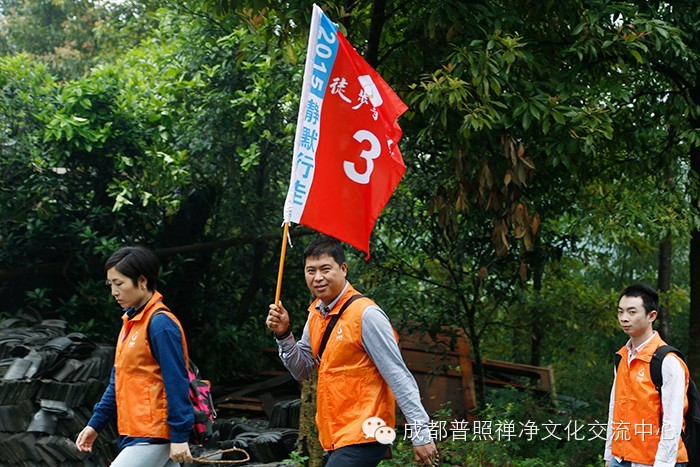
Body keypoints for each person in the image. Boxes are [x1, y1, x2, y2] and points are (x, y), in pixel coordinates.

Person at [266, 236, 439, 466]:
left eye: (325, 269)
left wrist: (421, 433)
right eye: (311, 271)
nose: (318, 277)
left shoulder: (366, 314)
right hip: (336, 435)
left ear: (343, 269)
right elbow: (302, 370)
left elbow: (398, 375)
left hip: (366, 431)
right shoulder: (316, 315)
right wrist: (284, 334)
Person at [75, 246, 194, 466]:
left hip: (154, 434)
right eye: (110, 284)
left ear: (142, 281)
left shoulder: (160, 323)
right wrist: (95, 424)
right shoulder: (130, 323)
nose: (114, 292)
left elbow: (176, 381)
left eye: (119, 283)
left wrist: (179, 435)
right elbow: (118, 382)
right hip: (135, 432)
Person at [604, 283, 690, 467]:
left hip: (655, 461)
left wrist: (662, 463)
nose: (624, 318)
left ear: (652, 316)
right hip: (620, 458)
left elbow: (673, 420)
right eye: (620, 312)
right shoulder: (622, 357)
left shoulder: (667, 361)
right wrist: (609, 454)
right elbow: (615, 407)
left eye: (632, 312)